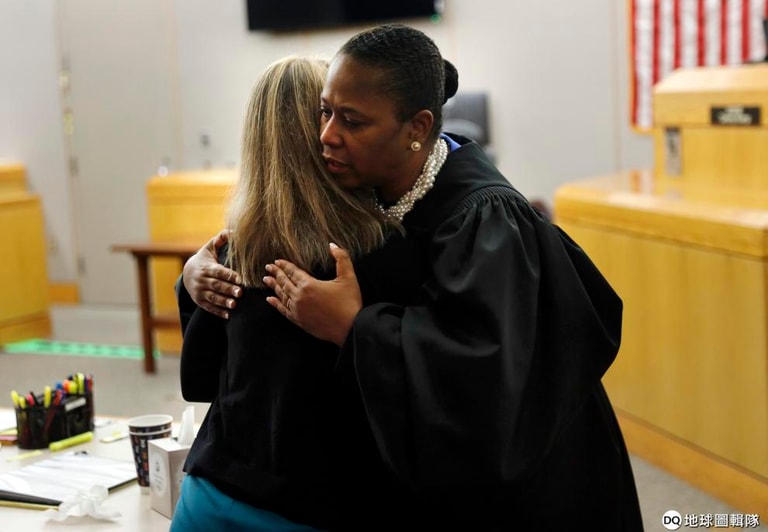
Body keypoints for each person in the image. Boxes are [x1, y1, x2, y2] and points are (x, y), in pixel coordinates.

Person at [182, 23, 644, 531]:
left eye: (352, 121)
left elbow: (485, 382)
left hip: (534, 483)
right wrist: (198, 273)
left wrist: (355, 326)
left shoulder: (485, 222)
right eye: (324, 112)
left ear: (416, 129)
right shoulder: (375, 197)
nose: (326, 136)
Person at [170, 55, 390, 531]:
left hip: (209, 498)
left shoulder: (232, 252)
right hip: (314, 506)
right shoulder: (373, 250)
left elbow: (200, 379)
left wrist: (189, 280)